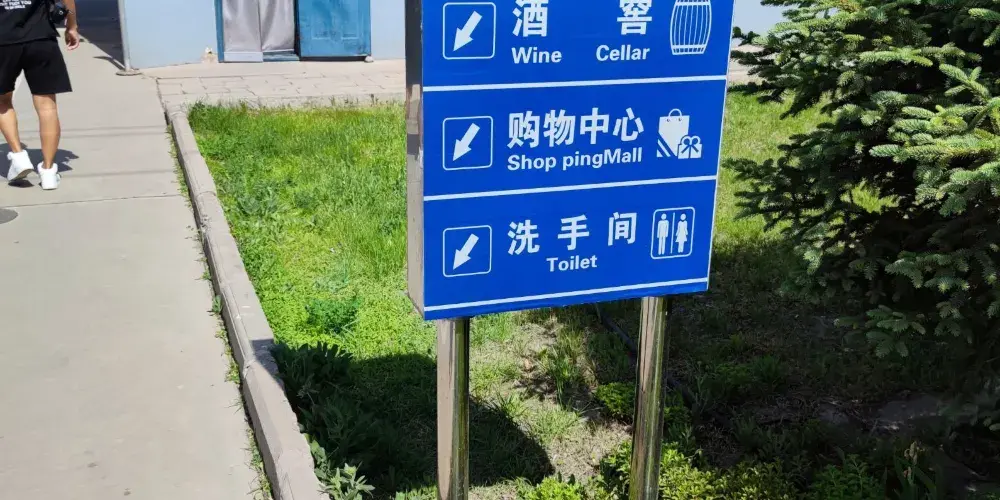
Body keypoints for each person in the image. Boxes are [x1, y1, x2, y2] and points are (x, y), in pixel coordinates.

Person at [0, 0, 78, 190]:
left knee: (2, 101)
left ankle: (19, 156)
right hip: (41, 38)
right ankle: (48, 171)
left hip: (3, 40)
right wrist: (72, 26)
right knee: (47, 106)